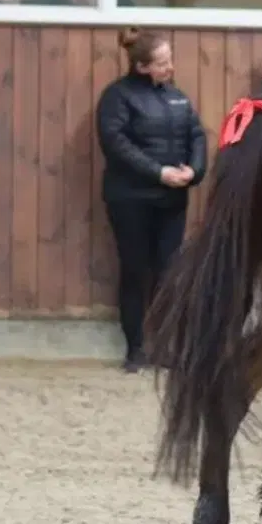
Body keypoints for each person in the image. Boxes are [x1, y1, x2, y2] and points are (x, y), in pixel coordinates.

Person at [95, 28, 207, 372]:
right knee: (135, 270)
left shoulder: (177, 98)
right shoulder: (117, 97)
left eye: (169, 60)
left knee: (168, 272)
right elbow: (116, 144)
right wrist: (158, 172)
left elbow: (196, 135)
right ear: (143, 66)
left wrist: (195, 170)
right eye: (161, 63)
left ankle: (165, 346)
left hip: (171, 200)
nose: (169, 67)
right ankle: (135, 349)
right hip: (130, 199)